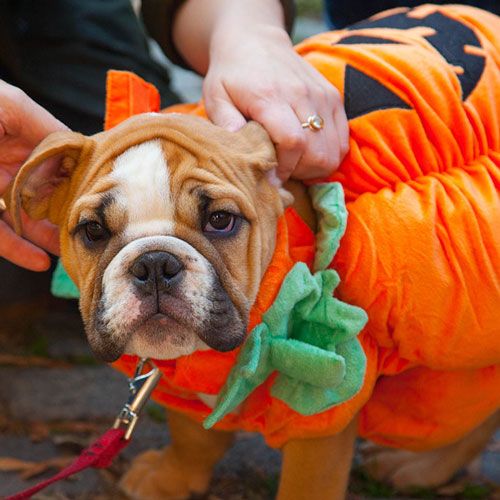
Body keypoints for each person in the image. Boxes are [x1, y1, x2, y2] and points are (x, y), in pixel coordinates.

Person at [0, 0, 348, 274]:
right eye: (96, 231)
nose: (158, 272)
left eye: (218, 220)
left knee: (161, 158)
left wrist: (247, 37)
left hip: (54, 24)